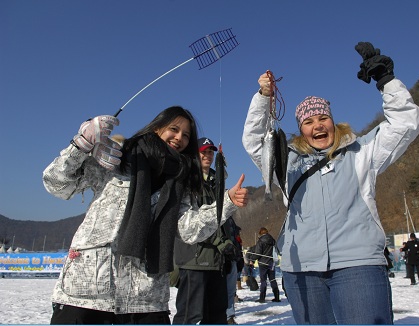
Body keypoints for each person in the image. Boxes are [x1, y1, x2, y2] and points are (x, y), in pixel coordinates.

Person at [242, 42, 419, 324]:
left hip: (358, 265)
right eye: (309, 121)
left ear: (333, 122)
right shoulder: (286, 161)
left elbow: (405, 125)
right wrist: (263, 98)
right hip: (301, 268)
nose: (318, 126)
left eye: (323, 118)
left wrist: (387, 81)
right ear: (301, 129)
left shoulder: (363, 151)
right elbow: (255, 141)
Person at [43, 108, 248, 324]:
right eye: (174, 129)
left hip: (146, 297)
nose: (179, 138)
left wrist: (227, 203)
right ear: (158, 127)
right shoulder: (117, 157)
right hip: (88, 290)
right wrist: (82, 145)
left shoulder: (182, 178)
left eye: (186, 135)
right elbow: (57, 184)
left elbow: (188, 229)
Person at [172, 137, 238, 324]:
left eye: (210, 152)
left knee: (217, 315)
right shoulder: (187, 181)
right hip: (194, 261)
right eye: (203, 152)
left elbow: (224, 222)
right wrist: (221, 242)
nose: (208, 155)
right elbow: (192, 223)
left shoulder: (218, 183)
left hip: (217, 263)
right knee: (189, 316)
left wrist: (232, 244)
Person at [252, 227, 280, 303]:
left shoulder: (260, 241)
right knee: (273, 279)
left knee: (263, 280)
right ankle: (277, 296)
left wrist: (252, 259)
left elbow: (258, 253)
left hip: (263, 263)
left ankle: (262, 297)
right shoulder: (273, 240)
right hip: (271, 262)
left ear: (260, 233)